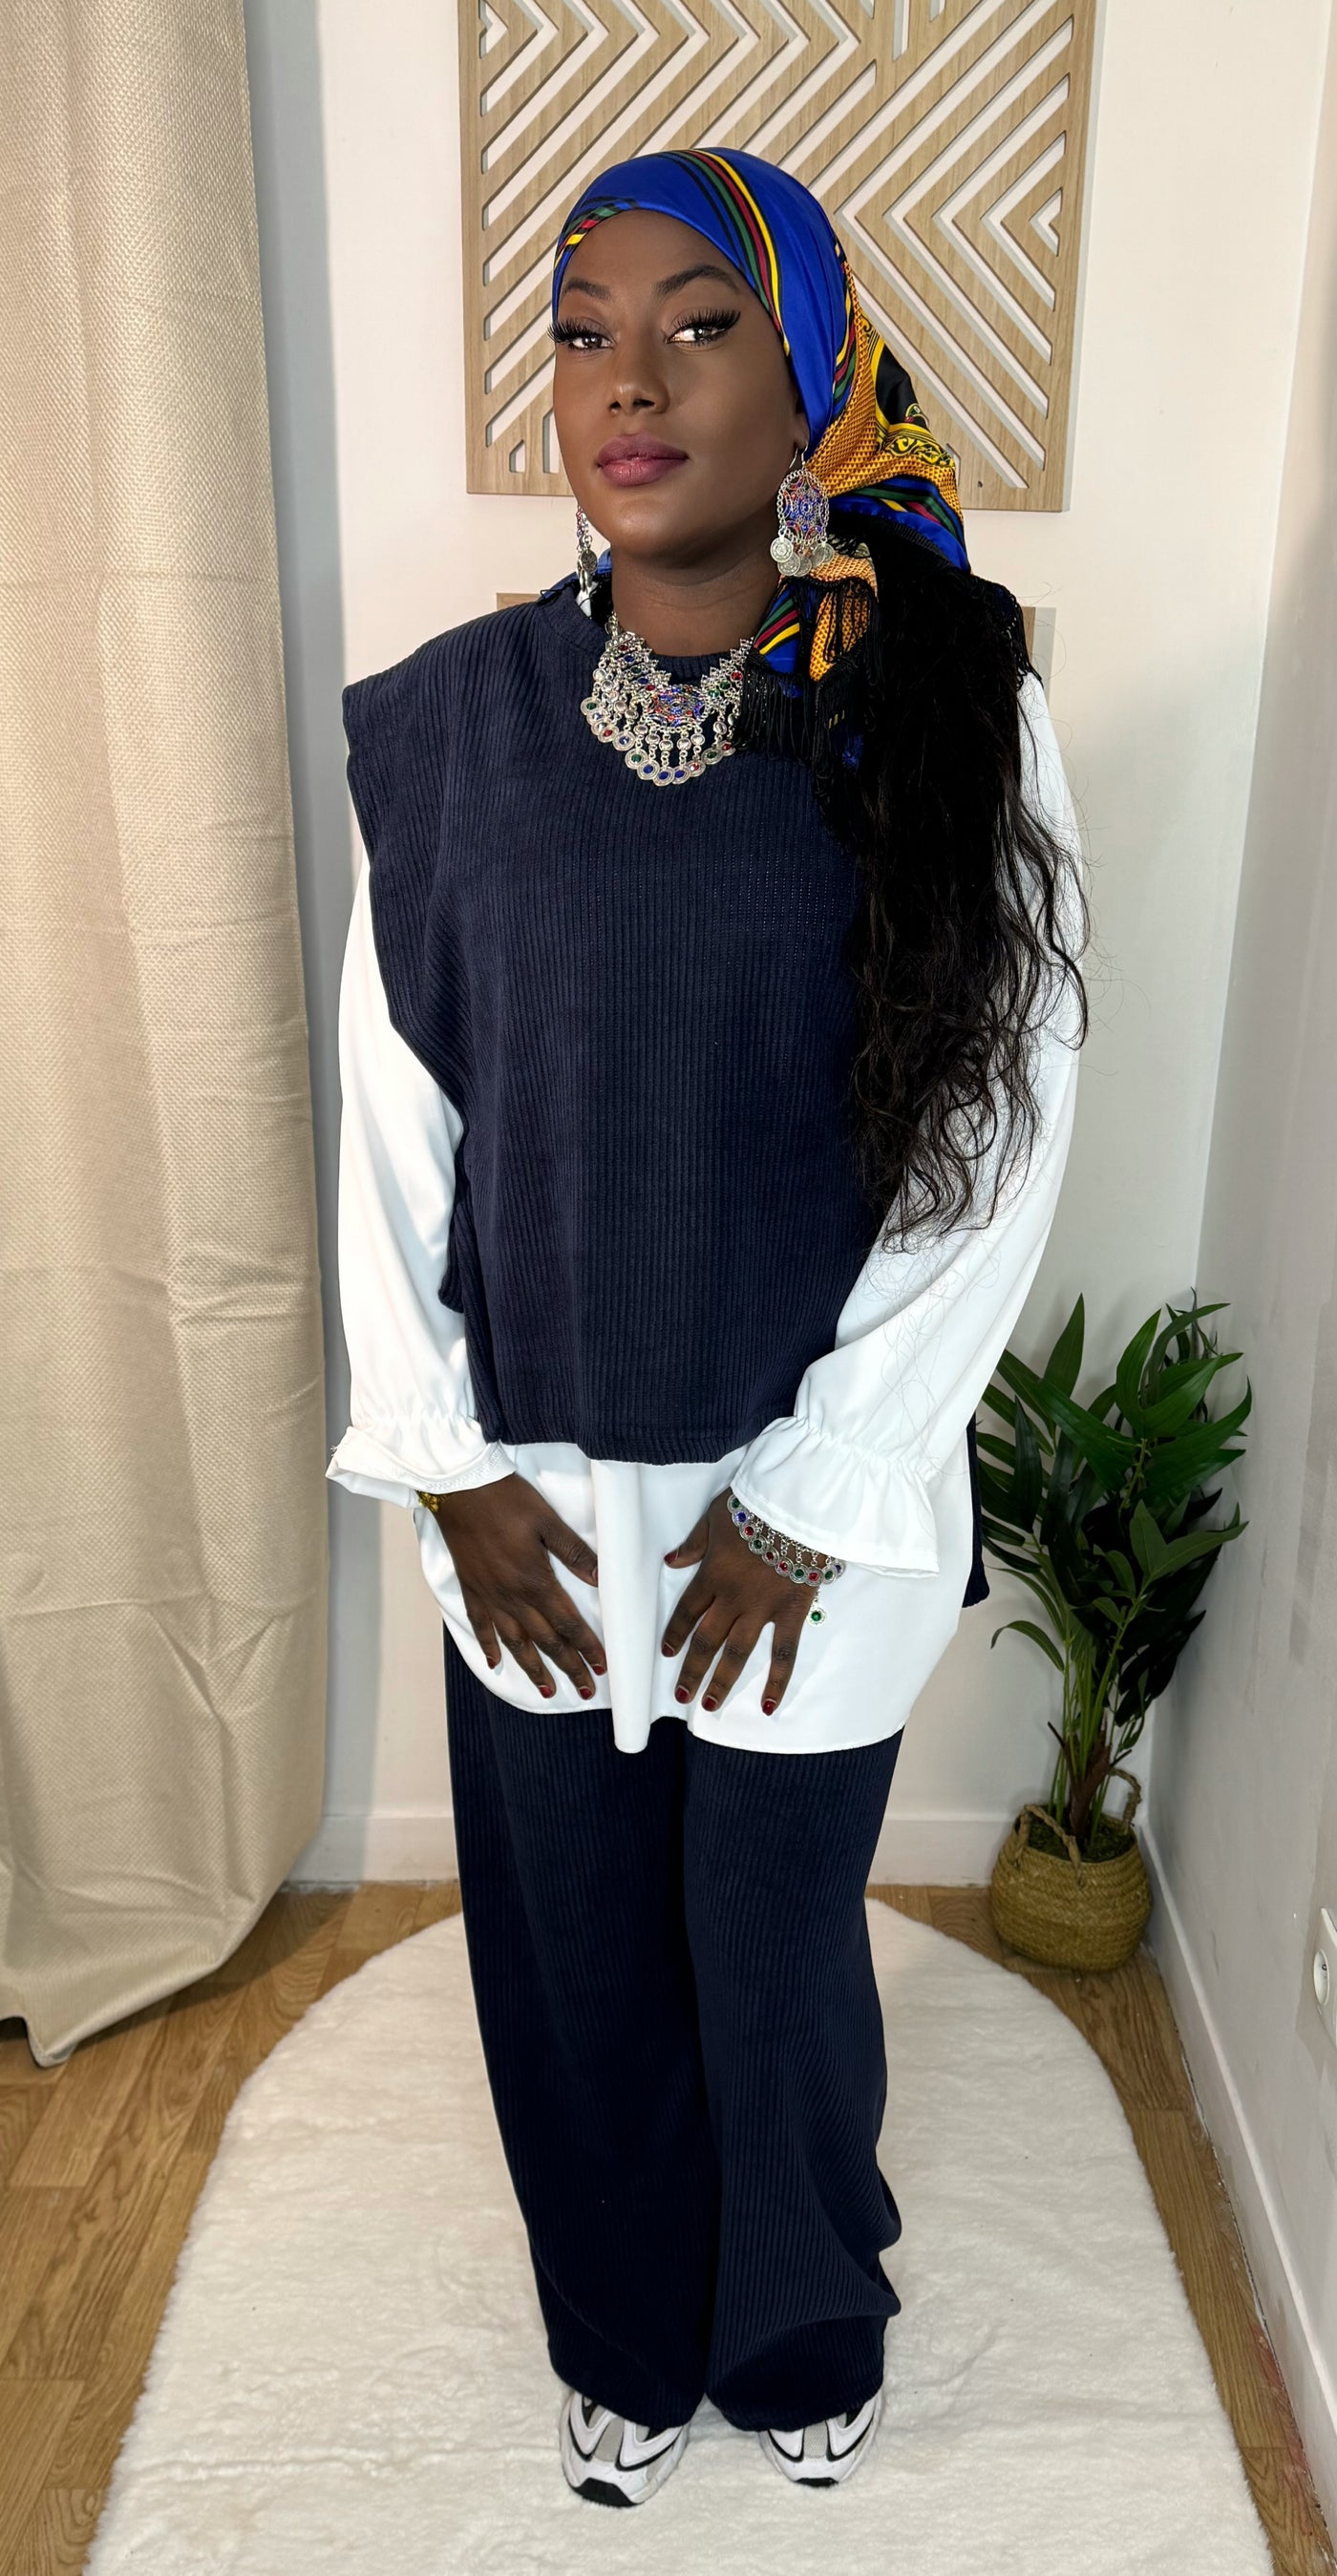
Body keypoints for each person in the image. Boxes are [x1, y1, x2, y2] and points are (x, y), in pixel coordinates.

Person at [329, 144, 1089, 2508]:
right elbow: (392, 1117)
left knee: (767, 1946)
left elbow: (998, 1132)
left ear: (814, 373)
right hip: (538, 1482)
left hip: (809, 1494)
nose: (626, 384)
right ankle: (619, 2327)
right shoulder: (447, 729)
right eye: (581, 333)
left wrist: (817, 1488)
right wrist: (448, 1463)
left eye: (698, 322)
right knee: (571, 1948)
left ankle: (796, 2318)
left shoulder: (947, 714)